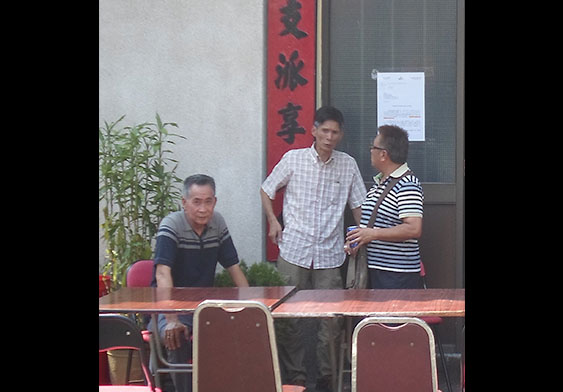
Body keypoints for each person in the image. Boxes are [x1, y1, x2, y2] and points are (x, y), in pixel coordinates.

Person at [260, 106, 366, 391]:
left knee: (330, 320)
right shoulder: (293, 159)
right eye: (325, 131)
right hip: (294, 249)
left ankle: (326, 377)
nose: (329, 137)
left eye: (335, 132)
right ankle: (294, 377)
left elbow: (359, 207)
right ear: (313, 130)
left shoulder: (348, 165)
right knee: (290, 317)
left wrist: (364, 235)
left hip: (330, 254)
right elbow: (267, 189)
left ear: (341, 134)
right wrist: (273, 221)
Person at [149, 174, 249, 392]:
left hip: (203, 307)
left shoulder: (218, 223)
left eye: (208, 201)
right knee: (176, 335)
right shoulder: (171, 225)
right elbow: (162, 274)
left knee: (239, 331)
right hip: (168, 308)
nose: (203, 209)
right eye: (196, 202)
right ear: (184, 203)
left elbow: (234, 269)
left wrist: (251, 309)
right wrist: (172, 318)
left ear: (215, 201)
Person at [345, 125, 424, 289]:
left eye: (373, 147)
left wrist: (372, 234)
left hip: (397, 275)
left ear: (383, 154)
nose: (370, 151)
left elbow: (413, 229)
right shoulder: (379, 183)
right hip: (376, 271)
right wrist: (359, 240)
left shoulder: (407, 184)